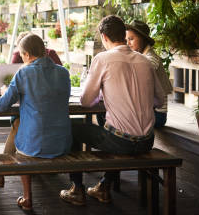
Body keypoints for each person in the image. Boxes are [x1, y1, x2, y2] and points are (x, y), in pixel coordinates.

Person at [60, 15, 165, 206]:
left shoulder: (103, 59)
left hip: (120, 142)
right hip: (147, 141)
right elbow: (160, 100)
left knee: (73, 129)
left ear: (104, 37)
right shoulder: (144, 61)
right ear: (123, 36)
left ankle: (77, 189)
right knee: (113, 127)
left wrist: (104, 93)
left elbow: (85, 100)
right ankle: (104, 186)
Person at [0, 33, 72, 211]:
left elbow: (1, 107)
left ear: (27, 55)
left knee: (23, 133)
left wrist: (4, 92)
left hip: (33, 146)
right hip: (62, 143)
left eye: (22, 55)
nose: (22, 59)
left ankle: (28, 198)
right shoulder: (63, 72)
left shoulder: (24, 72)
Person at [126, 20, 173, 128]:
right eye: (126, 40)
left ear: (143, 39)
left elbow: (136, 76)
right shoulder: (140, 57)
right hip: (146, 111)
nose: (128, 43)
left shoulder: (151, 58)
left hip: (157, 114)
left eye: (131, 39)